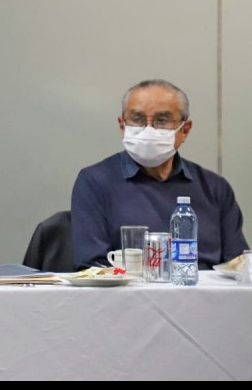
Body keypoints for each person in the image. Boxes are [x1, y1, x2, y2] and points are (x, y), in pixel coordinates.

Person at [71, 79, 249, 270]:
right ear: (122, 127)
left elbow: (238, 267)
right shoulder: (95, 182)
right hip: (130, 288)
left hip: (205, 287)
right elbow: (93, 267)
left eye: (162, 120)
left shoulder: (214, 187)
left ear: (185, 130)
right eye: (137, 119)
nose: (148, 130)